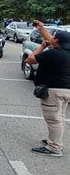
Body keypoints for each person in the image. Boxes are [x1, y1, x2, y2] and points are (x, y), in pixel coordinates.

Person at [26, 21, 70, 158]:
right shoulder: (65, 52)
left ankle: (54, 148)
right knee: (59, 118)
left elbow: (30, 59)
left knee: (53, 120)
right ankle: (54, 141)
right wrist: (42, 29)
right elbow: (53, 40)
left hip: (54, 91)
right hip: (66, 90)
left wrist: (42, 46)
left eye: (53, 38)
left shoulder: (53, 53)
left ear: (57, 40)